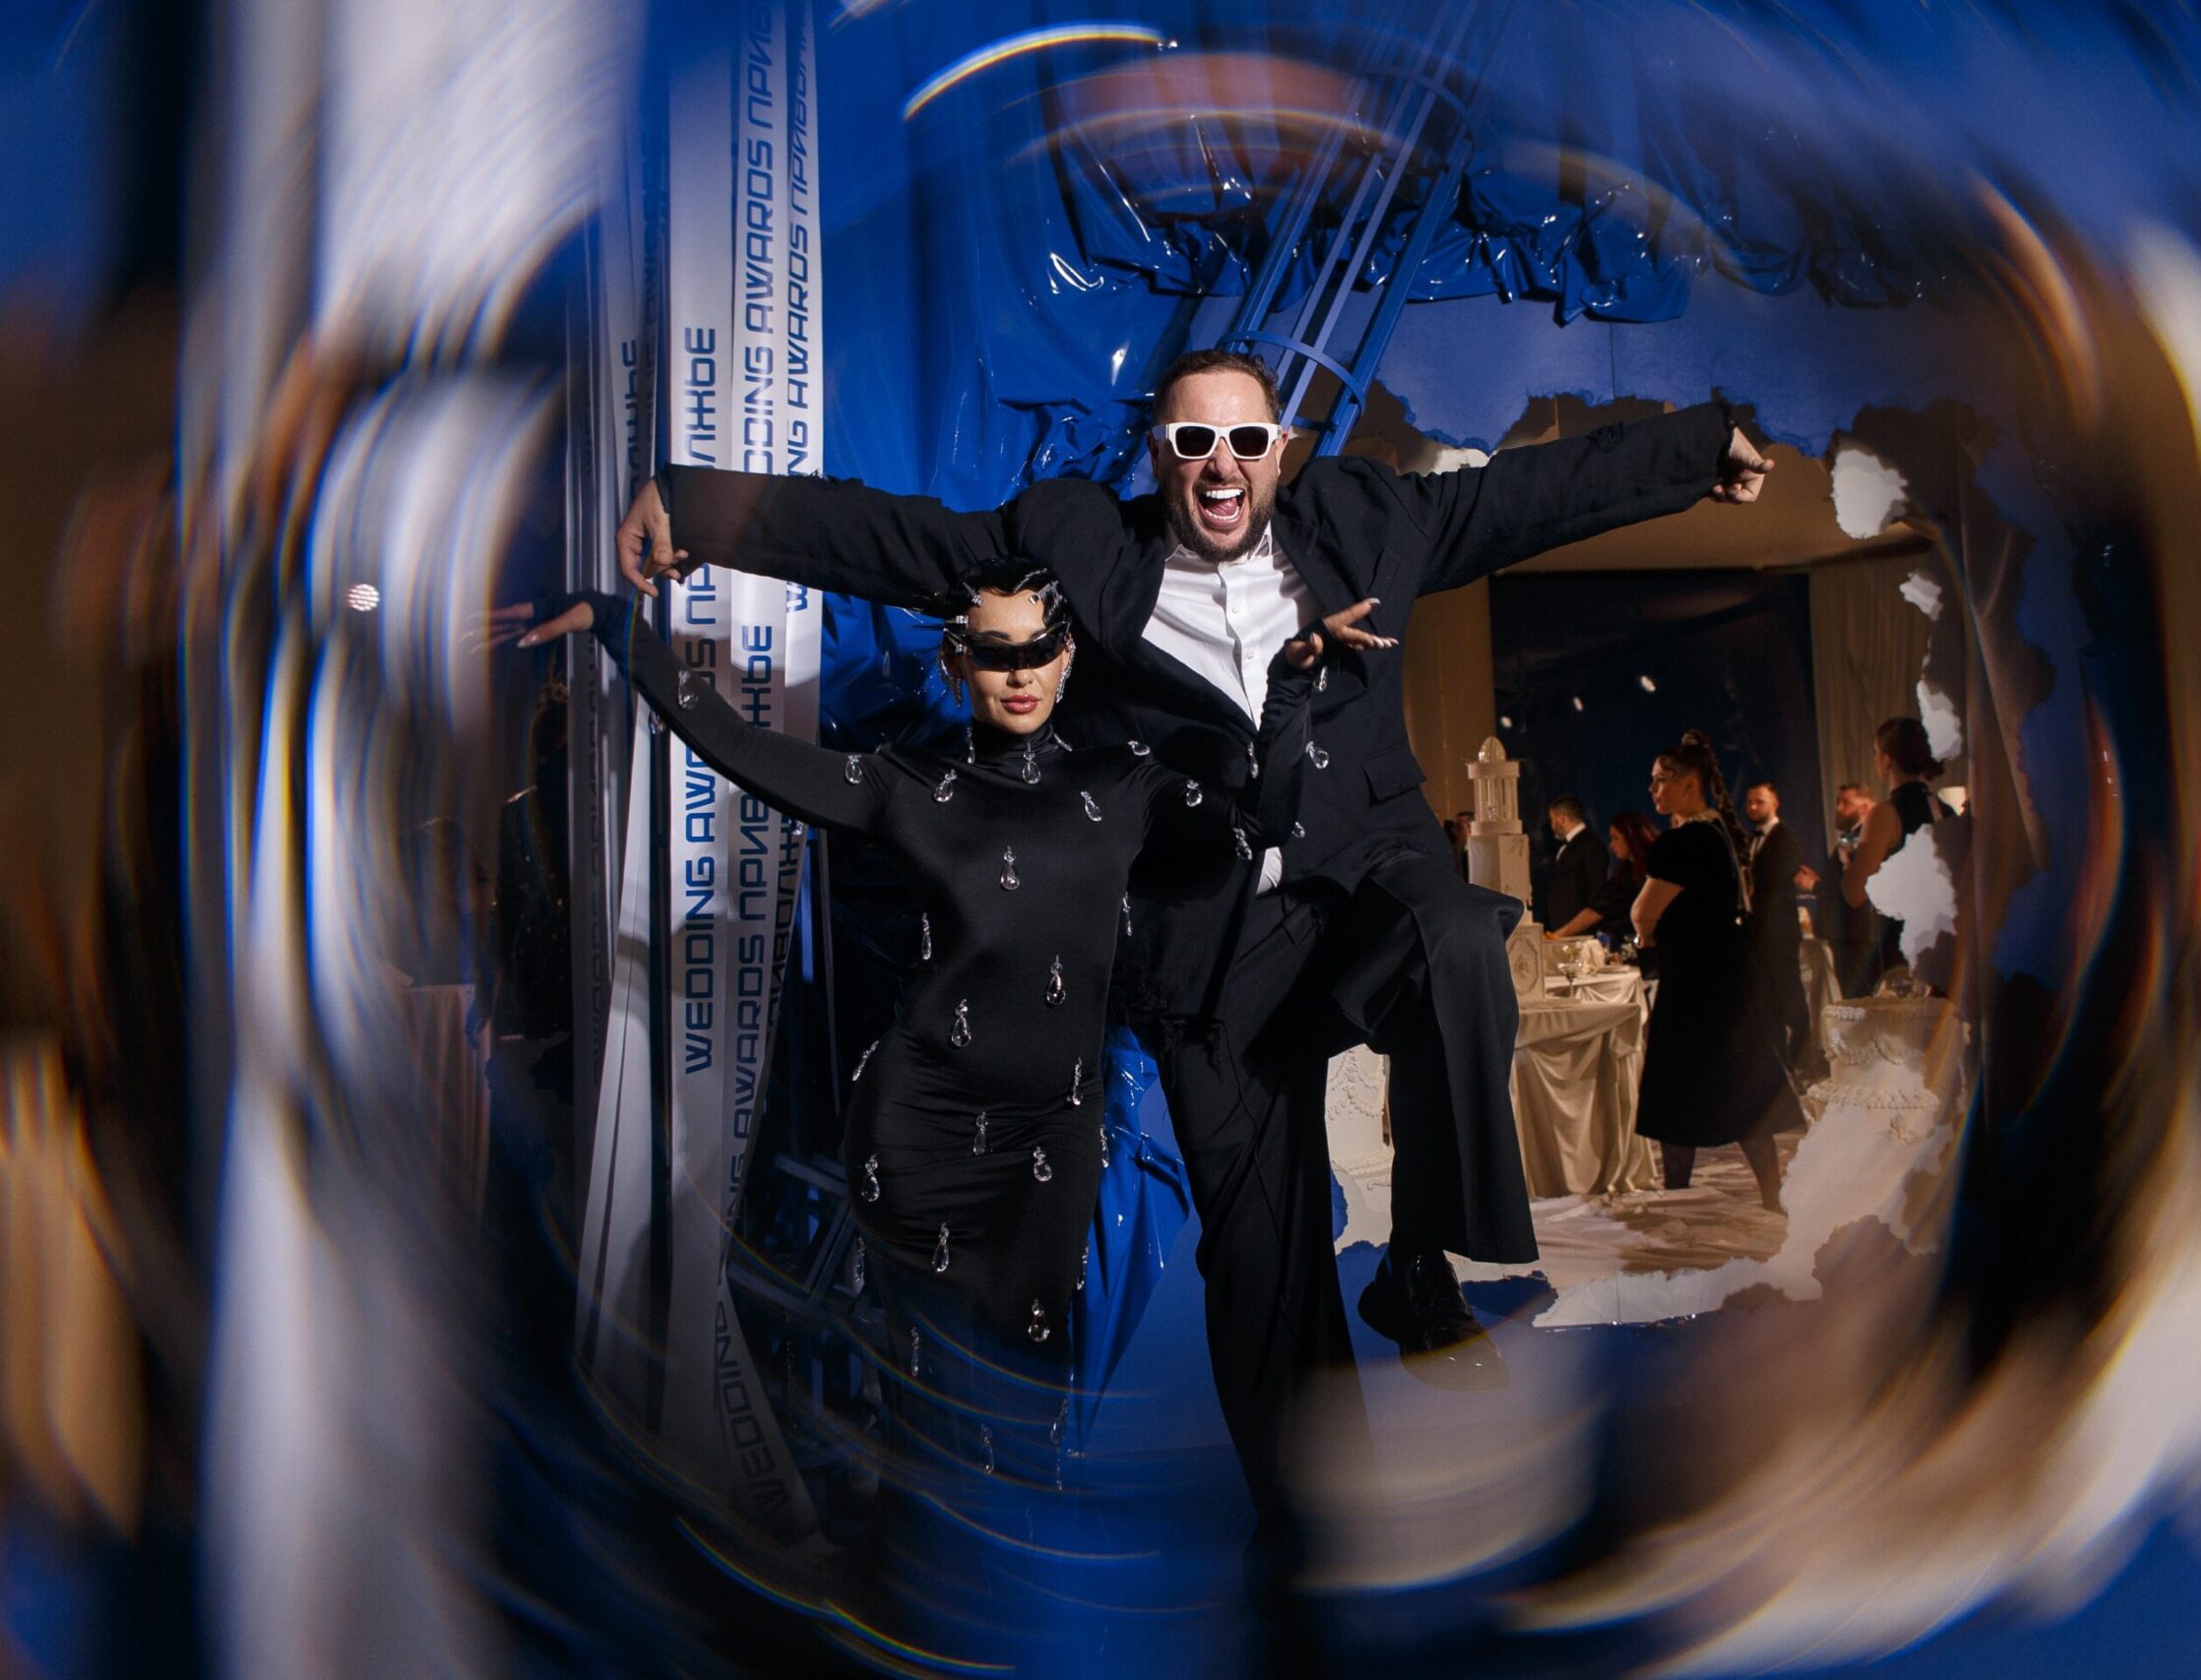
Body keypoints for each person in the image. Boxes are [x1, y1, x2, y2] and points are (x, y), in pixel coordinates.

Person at [592, 344, 1774, 1528]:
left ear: (1280, 452)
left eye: (1245, 440)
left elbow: (1531, 492)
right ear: (1159, 456)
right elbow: (897, 540)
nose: (1221, 464)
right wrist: (698, 508)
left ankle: (1420, 1267)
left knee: (1459, 939)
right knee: (1264, 1262)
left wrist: (1699, 443)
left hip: (1369, 884)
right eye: (1194, 441)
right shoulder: (1079, 550)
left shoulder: (1367, 522)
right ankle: (1307, 1534)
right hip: (1217, 948)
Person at [494, 568, 1375, 1483]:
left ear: (1068, 656)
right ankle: (916, 1554)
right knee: (927, 1417)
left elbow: (1258, 825)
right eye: (994, 653)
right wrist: (616, 623)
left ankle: (1003, 1558)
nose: (1020, 672)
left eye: (1039, 648)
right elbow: (738, 745)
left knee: (1031, 1407)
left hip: (1052, 1131)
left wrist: (1289, 693)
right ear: (957, 662)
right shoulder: (907, 783)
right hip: (916, 1136)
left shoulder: (1124, 783)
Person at [1630, 735, 1787, 1213]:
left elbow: (1642, 915)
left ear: (1690, 783)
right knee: (1740, 1083)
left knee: (1678, 1086)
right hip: (1731, 975)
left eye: (1661, 780)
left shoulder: (1681, 843)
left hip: (1693, 981)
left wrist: (1646, 940)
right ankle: (1772, 1195)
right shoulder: (1720, 832)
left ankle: (1677, 1196)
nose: (1653, 789)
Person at [1843, 717, 1941, 982]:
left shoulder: (1885, 814)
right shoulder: (1944, 810)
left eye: (1876, 752)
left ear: (1886, 760)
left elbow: (1855, 893)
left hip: (1902, 950)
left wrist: (1848, 862)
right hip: (1943, 943)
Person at [1741, 781, 1808, 1064]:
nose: (1753, 807)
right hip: (1756, 932)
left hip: (1780, 931)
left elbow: (1780, 878)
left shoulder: (1787, 836)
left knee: (1788, 994)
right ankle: (1778, 1060)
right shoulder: (1749, 840)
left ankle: (1803, 1053)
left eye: (1760, 801)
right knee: (1765, 999)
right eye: (1750, 802)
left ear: (1775, 803)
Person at [1796, 781, 1878, 995]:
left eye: (1846, 803)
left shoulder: (1864, 838)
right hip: (1848, 935)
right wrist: (1821, 881)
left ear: (1864, 807)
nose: (1839, 808)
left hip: (1855, 934)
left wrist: (1813, 885)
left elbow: (1855, 884)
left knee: (1859, 999)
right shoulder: (1852, 837)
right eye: (1837, 802)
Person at [1550, 809, 1657, 946]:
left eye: (1615, 838)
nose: (1611, 845)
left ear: (1631, 837)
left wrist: (1555, 937)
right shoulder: (1625, 874)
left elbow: (1595, 912)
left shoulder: (1654, 870)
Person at [1541, 796, 1611, 937]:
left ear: (1562, 818)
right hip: (1564, 933)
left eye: (1552, 819)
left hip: (1580, 934)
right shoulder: (1569, 847)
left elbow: (1595, 894)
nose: (1552, 825)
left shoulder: (1591, 845)